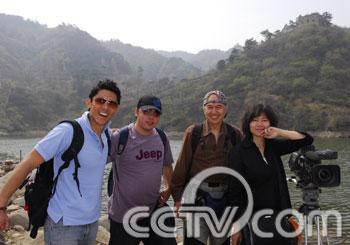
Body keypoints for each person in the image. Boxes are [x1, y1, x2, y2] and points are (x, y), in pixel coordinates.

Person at [0, 79, 121, 244]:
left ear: (116, 109)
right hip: (64, 225)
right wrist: (1, 206)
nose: (105, 107)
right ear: (89, 102)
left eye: (111, 104)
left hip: (91, 223)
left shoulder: (106, 136)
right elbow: (27, 163)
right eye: (100, 101)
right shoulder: (68, 131)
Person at [227, 104, 313, 245]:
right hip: (253, 220)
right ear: (248, 124)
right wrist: (236, 226)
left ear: (270, 123)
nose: (260, 124)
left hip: (279, 218)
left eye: (264, 120)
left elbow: (306, 139)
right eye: (255, 120)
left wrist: (279, 132)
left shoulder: (273, 147)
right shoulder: (238, 152)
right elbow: (234, 193)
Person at [171, 90, 242, 245]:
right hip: (196, 200)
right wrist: (177, 199)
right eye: (210, 107)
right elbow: (181, 167)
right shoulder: (194, 133)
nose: (214, 111)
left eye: (219, 107)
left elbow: (241, 170)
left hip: (225, 201)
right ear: (204, 109)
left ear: (226, 109)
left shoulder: (235, 134)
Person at [108, 95, 176, 245]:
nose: (151, 117)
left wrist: (168, 188)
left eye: (156, 114)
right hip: (123, 217)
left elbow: (167, 166)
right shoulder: (121, 137)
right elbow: (96, 163)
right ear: (136, 112)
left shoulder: (162, 138)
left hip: (152, 212)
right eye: (146, 112)